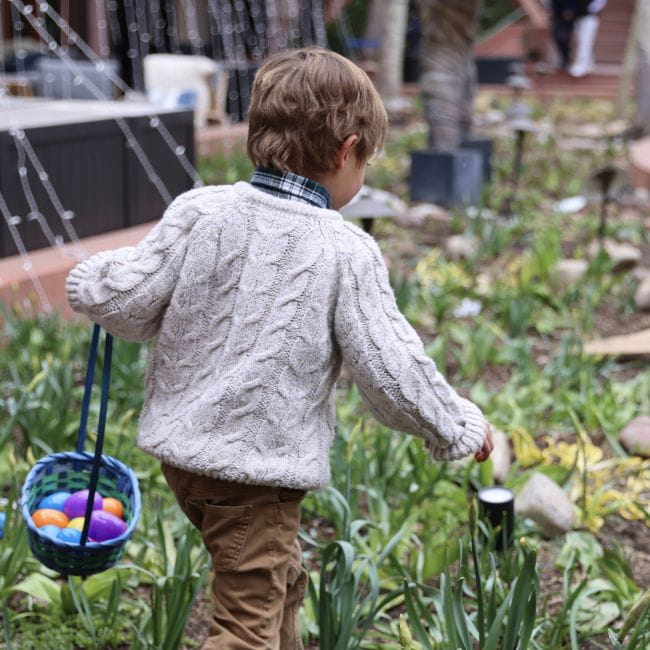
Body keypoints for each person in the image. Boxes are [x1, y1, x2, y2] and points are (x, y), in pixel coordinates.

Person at [65, 47, 493, 650]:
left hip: (186, 465)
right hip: (255, 477)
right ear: (347, 150)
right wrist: (456, 427)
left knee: (278, 585)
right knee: (245, 631)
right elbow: (392, 370)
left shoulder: (200, 211)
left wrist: (92, 280)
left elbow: (130, 304)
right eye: (365, 161)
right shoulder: (344, 250)